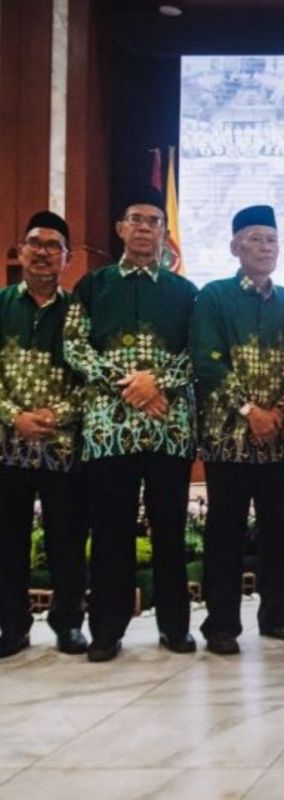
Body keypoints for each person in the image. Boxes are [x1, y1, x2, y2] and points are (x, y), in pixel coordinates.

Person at [64, 187, 200, 662]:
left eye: (154, 221)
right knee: (110, 531)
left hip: (170, 427)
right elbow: (75, 346)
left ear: (165, 233)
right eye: (136, 219)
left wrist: (157, 382)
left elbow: (196, 353)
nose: (145, 228)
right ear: (120, 228)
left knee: (170, 529)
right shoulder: (93, 286)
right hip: (109, 429)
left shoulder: (186, 292)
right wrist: (128, 384)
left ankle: (175, 627)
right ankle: (106, 630)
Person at [191, 205, 284, 655]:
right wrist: (249, 410)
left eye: (272, 240)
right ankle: (221, 626)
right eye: (256, 239)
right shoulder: (215, 297)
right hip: (228, 439)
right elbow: (207, 358)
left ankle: (279, 617)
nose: (265, 248)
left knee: (277, 530)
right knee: (226, 532)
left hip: (277, 441)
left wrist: (277, 411)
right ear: (235, 246)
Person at [0, 212, 88, 658]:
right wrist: (14, 415)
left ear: (67, 259)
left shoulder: (79, 311)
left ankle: (68, 623)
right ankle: (12, 626)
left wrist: (56, 414)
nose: (43, 252)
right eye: (35, 243)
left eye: (54, 246)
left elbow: (91, 380)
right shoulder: (1, 305)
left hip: (63, 447)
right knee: (7, 540)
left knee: (66, 540)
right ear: (20, 250)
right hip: (7, 445)